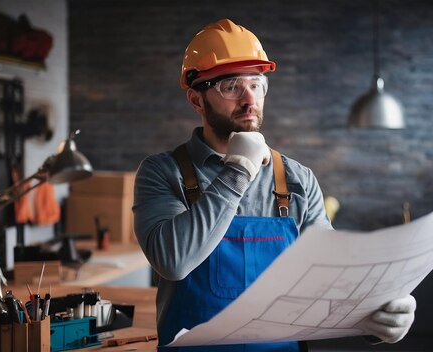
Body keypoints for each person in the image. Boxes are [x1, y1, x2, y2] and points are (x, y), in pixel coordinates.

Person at [133, 18, 416, 352]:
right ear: (197, 100)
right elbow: (174, 261)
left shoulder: (298, 179)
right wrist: (237, 171)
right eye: (231, 87)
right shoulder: (162, 172)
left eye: (256, 84)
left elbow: (328, 282)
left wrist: (375, 320)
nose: (249, 100)